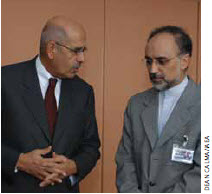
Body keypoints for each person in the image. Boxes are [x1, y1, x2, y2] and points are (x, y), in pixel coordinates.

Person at [1, 16, 100, 193]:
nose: (82, 58)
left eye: (83, 50)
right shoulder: (5, 80)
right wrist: (19, 161)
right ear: (52, 49)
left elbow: (91, 147)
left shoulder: (83, 92)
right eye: (76, 51)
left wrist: (72, 167)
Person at [116, 26, 200, 193]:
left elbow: (205, 173)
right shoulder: (137, 104)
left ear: (185, 61)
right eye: (149, 61)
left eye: (162, 61)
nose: (153, 70)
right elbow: (125, 160)